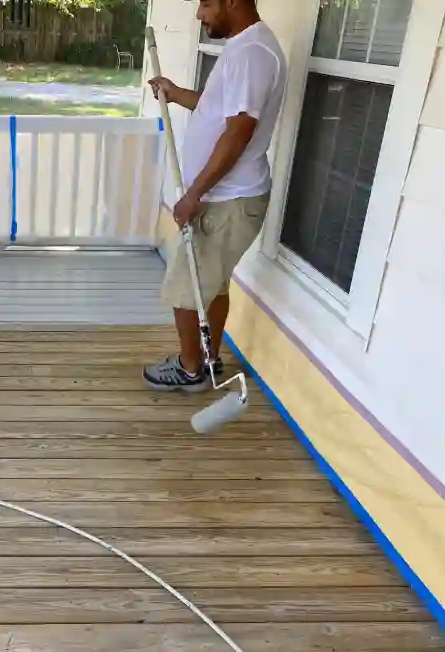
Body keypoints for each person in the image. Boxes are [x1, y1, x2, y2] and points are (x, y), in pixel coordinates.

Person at [143, 0, 286, 392]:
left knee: (185, 288)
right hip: (224, 197)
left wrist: (193, 194)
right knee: (213, 284)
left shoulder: (253, 53)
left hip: (227, 200)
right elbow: (219, 111)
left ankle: (190, 370)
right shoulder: (245, 47)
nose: (199, 14)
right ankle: (209, 359)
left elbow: (238, 132)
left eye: (206, 3)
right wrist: (176, 94)